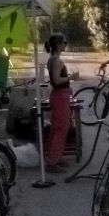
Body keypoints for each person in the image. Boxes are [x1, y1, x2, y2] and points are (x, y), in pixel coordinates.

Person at [44, 33, 71, 171]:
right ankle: (53, 161)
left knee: (59, 127)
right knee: (60, 128)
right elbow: (56, 80)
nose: (66, 44)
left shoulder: (53, 60)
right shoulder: (56, 61)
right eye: (64, 42)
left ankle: (56, 156)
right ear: (58, 44)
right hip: (60, 96)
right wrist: (71, 77)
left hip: (60, 95)